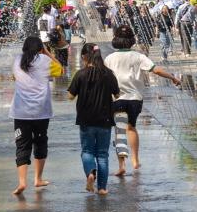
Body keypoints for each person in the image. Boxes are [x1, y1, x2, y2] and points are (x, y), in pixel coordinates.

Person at [106, 25, 181, 176]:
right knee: (131, 128)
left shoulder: (109, 58)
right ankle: (135, 160)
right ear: (132, 40)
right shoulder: (138, 56)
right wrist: (172, 77)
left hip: (117, 98)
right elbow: (156, 70)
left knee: (120, 131)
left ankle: (121, 165)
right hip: (135, 99)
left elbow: (104, 77)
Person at [68, 43, 121, 195]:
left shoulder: (80, 74)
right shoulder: (108, 74)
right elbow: (117, 95)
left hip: (86, 120)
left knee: (87, 151)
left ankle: (91, 173)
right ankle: (102, 188)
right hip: (105, 120)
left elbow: (70, 96)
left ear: (84, 57)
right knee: (103, 154)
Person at [10, 36, 53, 196]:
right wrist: (47, 53)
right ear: (40, 48)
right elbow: (60, 69)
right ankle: (38, 178)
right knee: (40, 143)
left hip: (20, 113)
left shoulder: (17, 60)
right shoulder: (45, 60)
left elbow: (15, 77)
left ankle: (22, 182)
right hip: (41, 112)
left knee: (22, 145)